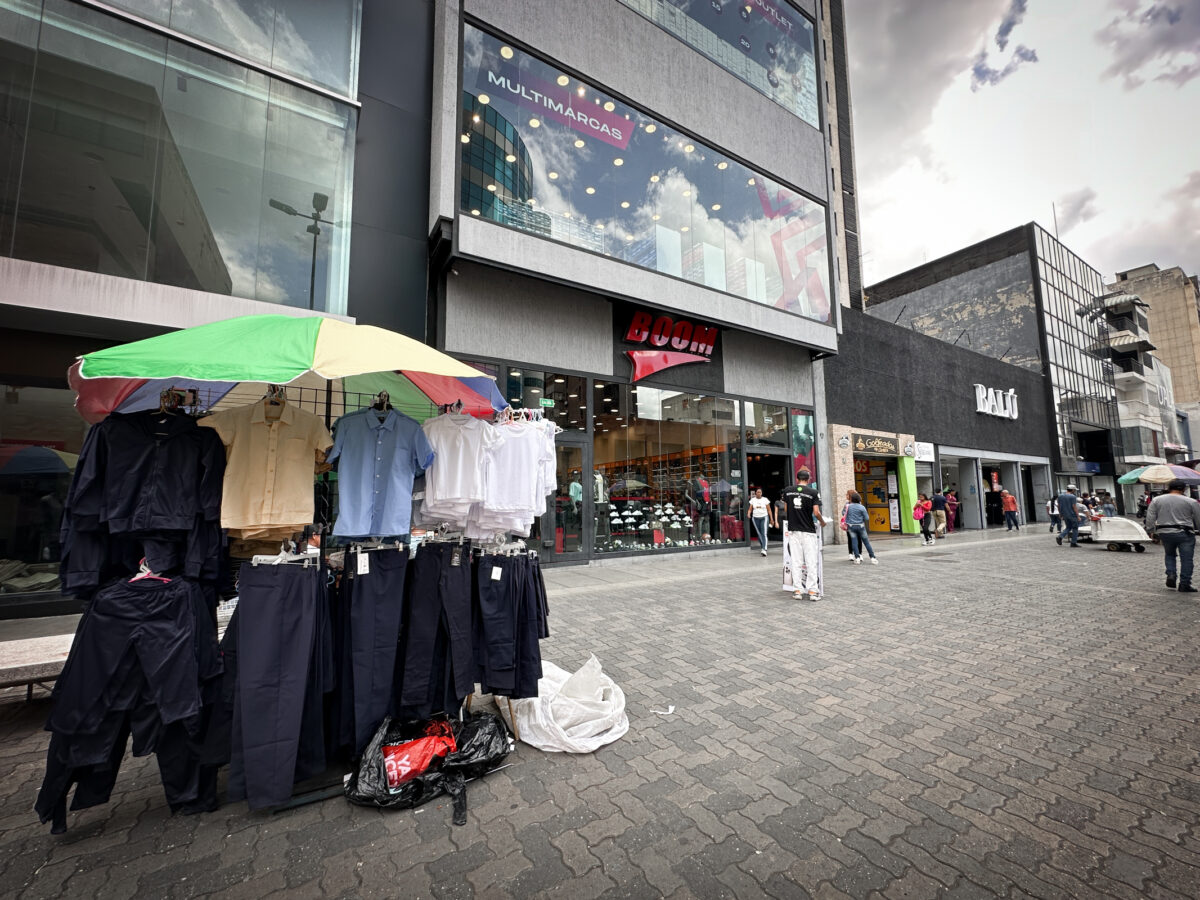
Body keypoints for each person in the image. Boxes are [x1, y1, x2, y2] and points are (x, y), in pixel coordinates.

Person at [1144, 480, 1200, 593]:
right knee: (1186, 559)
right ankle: (1184, 584)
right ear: (1183, 489)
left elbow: (1150, 517)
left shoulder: (1157, 500)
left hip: (1165, 533)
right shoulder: (1191, 501)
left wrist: (1150, 530)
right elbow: (1198, 518)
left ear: (1169, 488)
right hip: (1185, 533)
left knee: (1170, 554)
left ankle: (1171, 573)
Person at [782, 467, 825, 601]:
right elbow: (816, 512)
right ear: (808, 479)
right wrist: (823, 522)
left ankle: (797, 590)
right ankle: (812, 591)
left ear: (797, 479)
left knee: (796, 561)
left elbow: (785, 508)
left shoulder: (788, 491)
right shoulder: (813, 492)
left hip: (793, 530)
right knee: (811, 561)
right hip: (808, 531)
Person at [843, 491, 877, 565]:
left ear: (851, 499)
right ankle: (873, 558)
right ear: (859, 500)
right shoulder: (862, 507)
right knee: (866, 542)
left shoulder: (848, 506)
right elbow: (867, 518)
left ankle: (857, 558)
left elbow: (844, 515)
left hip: (851, 527)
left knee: (854, 542)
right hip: (861, 526)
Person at [748, 488, 771, 556]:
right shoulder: (752, 500)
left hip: (764, 517)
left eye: (760, 492)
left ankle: (764, 549)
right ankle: (762, 546)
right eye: (757, 492)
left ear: (761, 493)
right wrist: (748, 514)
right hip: (755, 518)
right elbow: (750, 509)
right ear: (755, 493)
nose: (759, 493)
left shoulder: (765, 499)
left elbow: (769, 510)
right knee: (759, 534)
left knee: (764, 533)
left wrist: (772, 519)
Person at [840, 489, 857, 563]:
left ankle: (858, 554)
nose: (846, 496)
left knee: (857, 539)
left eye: (847, 494)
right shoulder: (846, 504)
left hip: (856, 524)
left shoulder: (858, 504)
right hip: (848, 524)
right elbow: (843, 512)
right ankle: (851, 553)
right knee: (850, 538)